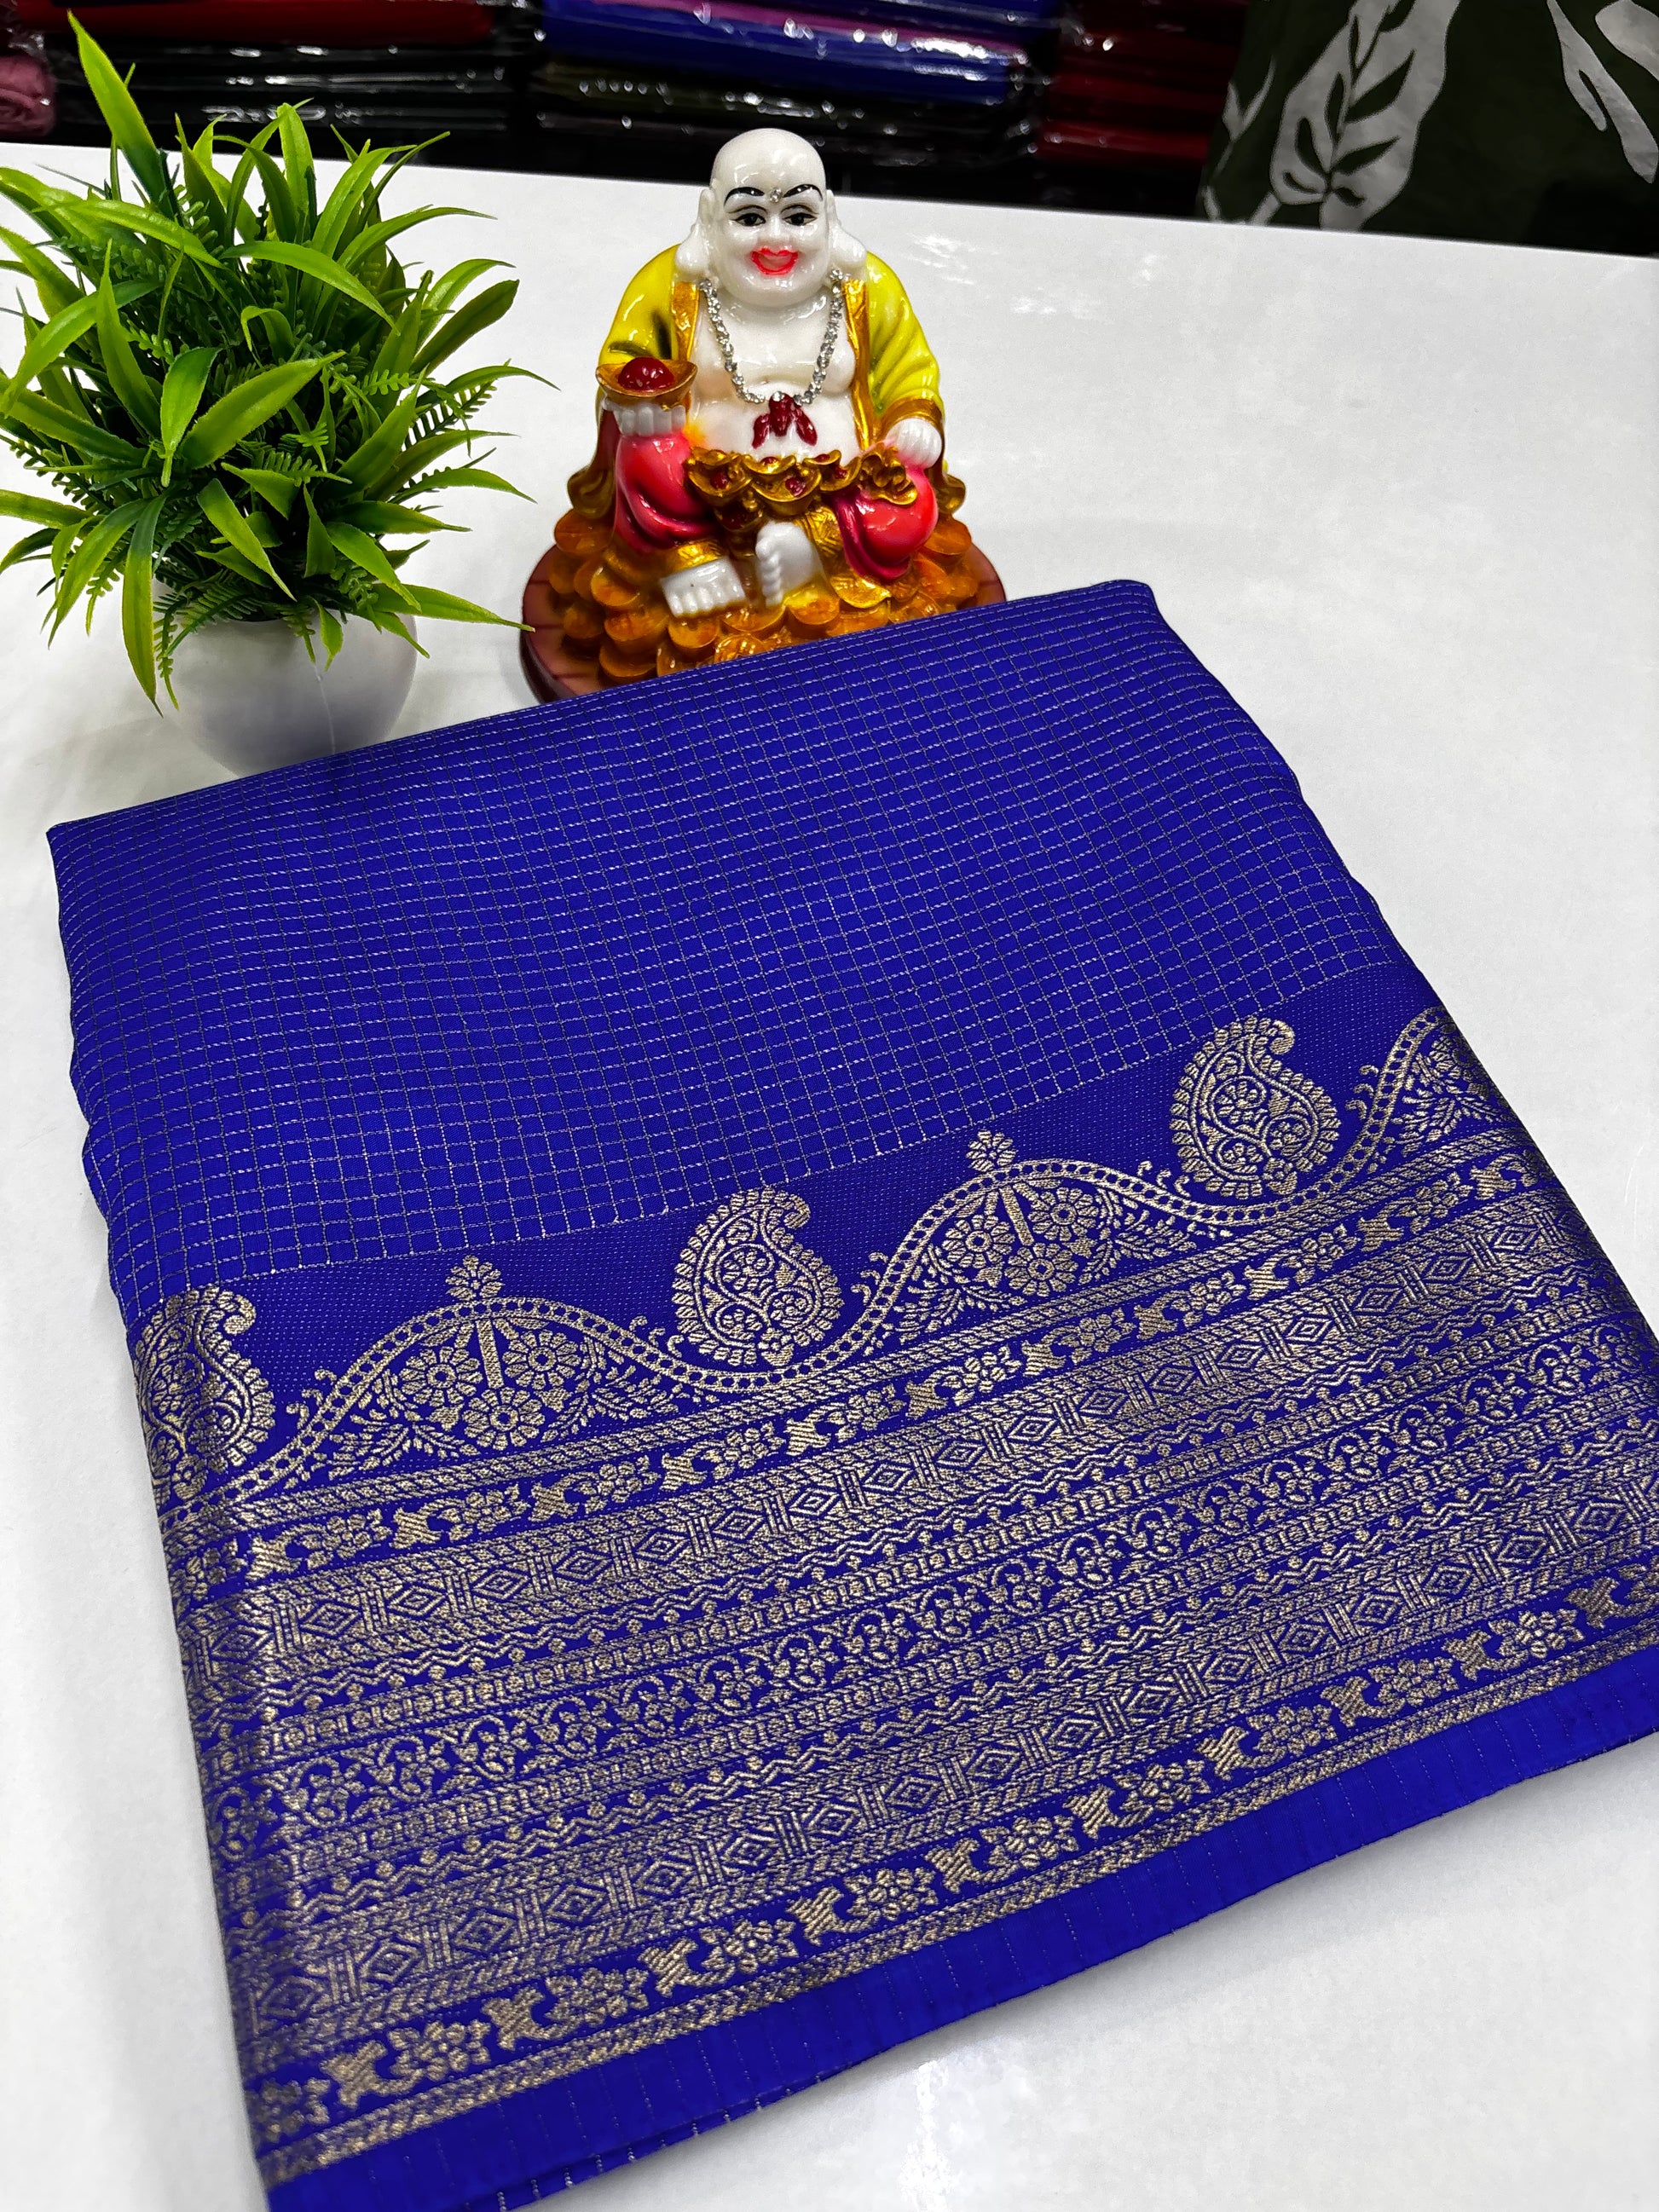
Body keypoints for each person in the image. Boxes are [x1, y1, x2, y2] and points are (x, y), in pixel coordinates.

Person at [540, 128, 986, 685]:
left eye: (798, 216)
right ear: (710, 217)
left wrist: (914, 417)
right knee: (646, 452)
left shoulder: (866, 285)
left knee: (912, 500)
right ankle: (692, 557)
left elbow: (907, 367)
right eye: (749, 217)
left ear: (829, 214)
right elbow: (626, 360)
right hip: (703, 490)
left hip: (842, 484)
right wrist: (639, 400)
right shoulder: (673, 285)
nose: (775, 239)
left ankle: (811, 550)